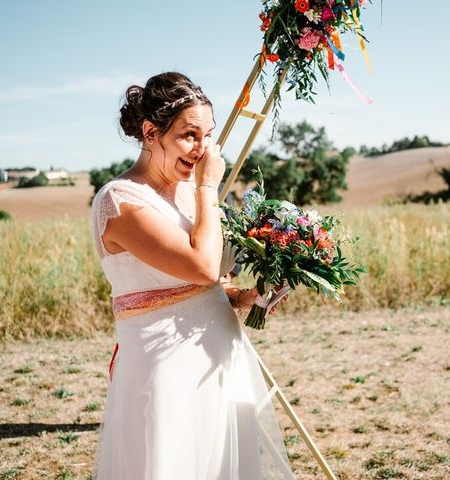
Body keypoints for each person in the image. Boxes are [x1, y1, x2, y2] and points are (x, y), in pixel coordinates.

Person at [90, 72, 292, 479]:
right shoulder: (120, 201)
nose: (202, 150)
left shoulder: (187, 193)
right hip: (166, 371)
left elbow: (211, 278)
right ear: (150, 132)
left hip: (219, 360)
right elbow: (200, 265)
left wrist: (241, 297)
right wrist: (207, 190)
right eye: (189, 135)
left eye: (208, 136)